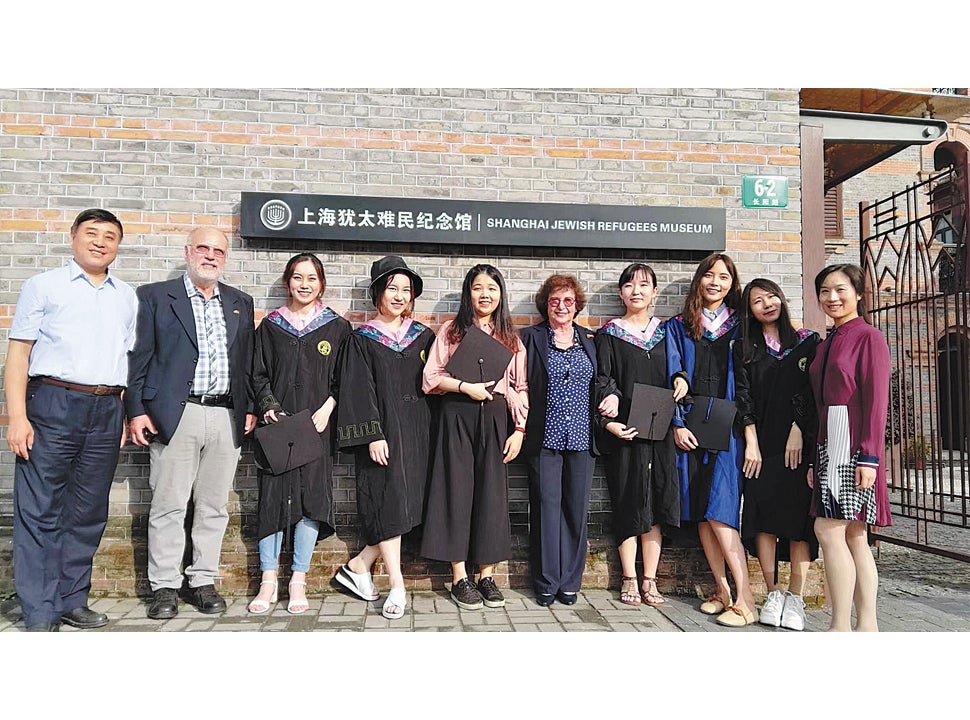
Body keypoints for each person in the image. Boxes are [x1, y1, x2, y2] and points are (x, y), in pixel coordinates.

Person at [6, 209, 136, 631]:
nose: (100, 242)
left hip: (106, 409)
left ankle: (71, 598)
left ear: (118, 246)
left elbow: (126, 359)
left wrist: (121, 414)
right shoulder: (43, 286)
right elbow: (19, 355)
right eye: (92, 233)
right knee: (40, 509)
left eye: (110, 236)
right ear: (73, 237)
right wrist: (18, 417)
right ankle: (40, 610)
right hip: (52, 403)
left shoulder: (126, 296)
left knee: (87, 511)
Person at [126, 227, 257, 620]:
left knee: (214, 505)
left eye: (219, 250)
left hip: (225, 415)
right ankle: (164, 585)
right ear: (187, 252)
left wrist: (248, 406)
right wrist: (135, 409)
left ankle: (202, 580)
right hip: (175, 414)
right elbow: (137, 356)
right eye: (203, 247)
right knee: (168, 503)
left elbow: (246, 363)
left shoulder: (239, 302)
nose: (211, 256)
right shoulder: (154, 297)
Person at [333, 255, 436, 620]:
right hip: (383, 434)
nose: (399, 295)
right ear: (377, 292)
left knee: (410, 504)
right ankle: (397, 585)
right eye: (392, 288)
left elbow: (436, 379)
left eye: (406, 290)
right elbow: (357, 390)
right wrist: (372, 434)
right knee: (390, 505)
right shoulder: (361, 338)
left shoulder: (423, 336)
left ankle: (360, 565)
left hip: (419, 431)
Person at [247, 253, 350, 615]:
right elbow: (257, 374)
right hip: (277, 427)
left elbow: (344, 380)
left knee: (310, 500)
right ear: (287, 282)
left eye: (311, 278)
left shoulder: (337, 328)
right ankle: (268, 579)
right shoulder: (271, 327)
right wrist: (268, 404)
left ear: (321, 283)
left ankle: (298, 579)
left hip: (316, 428)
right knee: (272, 500)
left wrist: (327, 409)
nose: (304, 285)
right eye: (297, 277)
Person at [420, 264, 528, 610]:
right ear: (468, 293)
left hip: (496, 420)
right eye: (478, 288)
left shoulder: (510, 338)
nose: (485, 295)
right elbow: (430, 378)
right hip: (458, 415)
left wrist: (520, 430)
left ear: (501, 295)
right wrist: (466, 387)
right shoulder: (452, 331)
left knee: (491, 496)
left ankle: (486, 575)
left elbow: (520, 387)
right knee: (456, 491)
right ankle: (459, 577)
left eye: (492, 289)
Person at [666, 253, 758, 627]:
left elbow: (750, 383)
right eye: (709, 275)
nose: (715, 282)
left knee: (721, 512)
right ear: (698, 280)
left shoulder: (741, 326)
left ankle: (746, 598)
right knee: (703, 514)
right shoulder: (681, 325)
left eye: (723, 276)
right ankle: (721, 590)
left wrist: (750, 435)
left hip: (728, 426)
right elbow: (671, 371)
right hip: (691, 424)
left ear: (732, 284)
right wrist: (676, 422)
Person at [595, 263, 686, 607]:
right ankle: (628, 578)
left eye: (644, 285)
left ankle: (650, 579)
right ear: (621, 293)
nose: (636, 291)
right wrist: (611, 397)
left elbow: (678, 367)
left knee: (657, 503)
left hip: (659, 428)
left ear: (653, 293)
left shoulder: (666, 332)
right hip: (628, 431)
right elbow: (604, 377)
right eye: (630, 285)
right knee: (629, 500)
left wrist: (682, 379)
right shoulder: (610, 334)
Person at [808, 264, 891, 632]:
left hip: (854, 441)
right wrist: (817, 458)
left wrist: (870, 455)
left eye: (840, 290)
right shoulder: (827, 342)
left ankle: (841, 626)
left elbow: (876, 399)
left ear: (859, 293)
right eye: (824, 291)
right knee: (854, 532)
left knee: (829, 530)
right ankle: (867, 627)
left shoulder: (868, 337)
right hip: (830, 440)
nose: (832, 298)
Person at [735, 278, 820, 631]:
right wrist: (751, 441)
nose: (767, 304)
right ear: (749, 310)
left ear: (781, 299)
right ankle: (772, 594)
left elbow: (815, 392)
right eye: (757, 301)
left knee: (799, 524)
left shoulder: (807, 342)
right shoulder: (746, 349)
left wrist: (799, 428)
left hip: (800, 447)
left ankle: (796, 599)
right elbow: (744, 397)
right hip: (764, 447)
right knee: (764, 519)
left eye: (771, 296)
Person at [520, 274, 600, 606]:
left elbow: (606, 380)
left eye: (568, 301)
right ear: (545, 305)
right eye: (555, 301)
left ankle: (570, 580)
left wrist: (610, 397)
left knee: (575, 509)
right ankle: (546, 580)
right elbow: (515, 376)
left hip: (582, 436)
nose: (561, 306)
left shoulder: (591, 340)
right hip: (545, 436)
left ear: (577, 305)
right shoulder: (530, 338)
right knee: (546, 508)